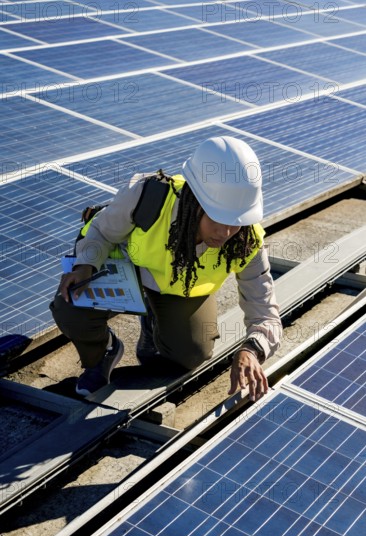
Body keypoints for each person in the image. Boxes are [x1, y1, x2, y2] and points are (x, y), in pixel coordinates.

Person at [50, 136, 282, 401]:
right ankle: (103, 352)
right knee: (70, 306)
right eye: (217, 218)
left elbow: (266, 315)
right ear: (194, 201)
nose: (226, 232)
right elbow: (102, 230)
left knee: (191, 354)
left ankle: (153, 323)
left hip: (180, 289)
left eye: (236, 221)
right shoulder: (148, 195)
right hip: (131, 269)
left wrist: (253, 349)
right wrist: (85, 264)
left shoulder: (247, 241)